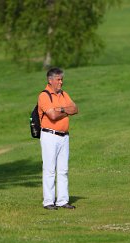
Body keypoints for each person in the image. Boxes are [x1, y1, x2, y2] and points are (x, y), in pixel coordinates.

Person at [38, 67, 78, 210]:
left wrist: (60, 109)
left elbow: (75, 109)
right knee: (49, 169)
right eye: (58, 79)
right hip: (50, 135)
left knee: (63, 170)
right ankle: (48, 201)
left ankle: (62, 200)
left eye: (62, 79)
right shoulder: (44, 96)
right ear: (50, 80)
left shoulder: (63, 94)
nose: (61, 82)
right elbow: (52, 116)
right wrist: (65, 110)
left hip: (64, 136)